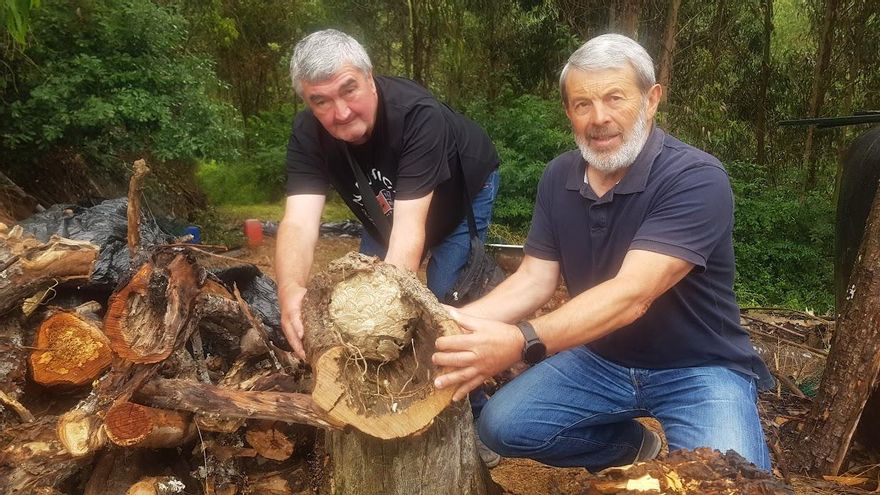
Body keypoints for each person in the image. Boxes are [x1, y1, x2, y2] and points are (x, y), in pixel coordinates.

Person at [431, 33, 773, 472]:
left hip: (700, 368)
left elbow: (633, 295)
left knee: (730, 479)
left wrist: (521, 342)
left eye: (615, 98)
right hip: (601, 358)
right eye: (582, 104)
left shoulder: (695, 177)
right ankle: (633, 450)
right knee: (502, 426)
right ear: (568, 111)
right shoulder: (559, 176)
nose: (599, 118)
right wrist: (452, 325)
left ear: (651, 100)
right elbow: (535, 279)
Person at [276, 29, 502, 465]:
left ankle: (476, 418)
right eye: (321, 101)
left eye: (349, 90)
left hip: (461, 193)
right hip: (386, 209)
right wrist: (290, 292)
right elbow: (300, 221)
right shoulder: (307, 132)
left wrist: (391, 316)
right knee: (358, 301)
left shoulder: (417, 115)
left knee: (440, 302)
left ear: (369, 77)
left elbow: (409, 233)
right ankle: (384, 402)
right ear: (307, 101)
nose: (340, 112)